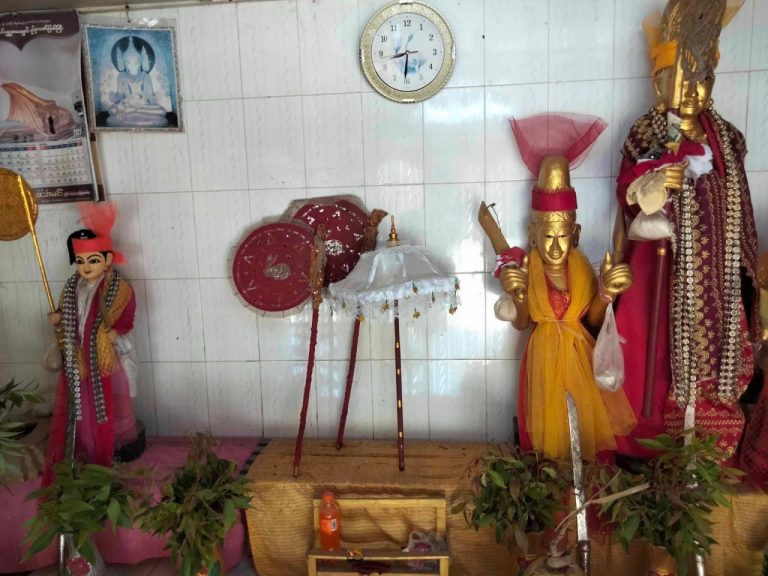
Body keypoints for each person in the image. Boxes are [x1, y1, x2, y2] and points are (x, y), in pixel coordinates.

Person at [612, 0, 759, 460]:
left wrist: (748, 277)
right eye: (681, 79)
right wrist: (654, 182)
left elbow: (742, 209)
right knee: (655, 365)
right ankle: (655, 452)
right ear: (659, 82)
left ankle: (707, 453)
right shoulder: (646, 132)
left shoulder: (727, 139)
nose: (693, 91)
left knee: (722, 357)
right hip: (662, 273)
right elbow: (626, 197)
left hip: (719, 275)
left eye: (702, 79)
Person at [486, 113, 636, 461]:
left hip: (581, 361)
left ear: (576, 234)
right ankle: (551, 491)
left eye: (563, 236)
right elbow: (523, 323)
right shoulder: (529, 267)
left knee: (585, 434)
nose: (555, 247)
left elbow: (592, 321)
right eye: (547, 237)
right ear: (533, 235)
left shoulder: (581, 268)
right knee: (547, 443)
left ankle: (586, 493)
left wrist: (606, 294)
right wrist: (520, 297)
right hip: (542, 361)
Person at [43, 202, 138, 484]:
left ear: (107, 260)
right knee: (80, 407)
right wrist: (58, 318)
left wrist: (116, 331)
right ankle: (84, 449)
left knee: (109, 406)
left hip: (105, 360)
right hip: (78, 358)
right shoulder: (72, 287)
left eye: (93, 261)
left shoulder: (117, 288)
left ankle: (108, 454)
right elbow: (68, 317)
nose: (86, 267)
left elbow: (127, 315)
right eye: (81, 261)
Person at [105, 36, 168, 128]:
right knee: (112, 110)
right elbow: (120, 95)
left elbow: (149, 95)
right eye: (129, 63)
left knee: (160, 111)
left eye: (136, 63)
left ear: (140, 63)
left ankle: (136, 113)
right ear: (124, 64)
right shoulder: (122, 76)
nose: (132, 65)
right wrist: (126, 101)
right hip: (128, 105)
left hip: (143, 105)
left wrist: (142, 99)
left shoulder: (145, 75)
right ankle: (137, 113)